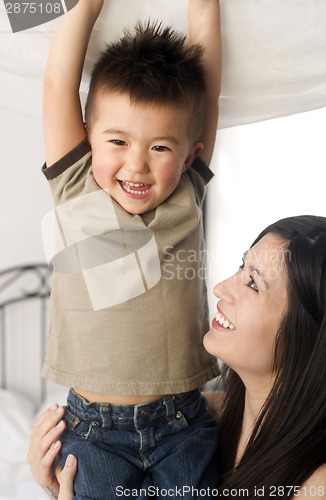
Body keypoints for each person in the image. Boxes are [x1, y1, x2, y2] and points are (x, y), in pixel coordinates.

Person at [39, 0, 222, 497]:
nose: (136, 165)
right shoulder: (77, 188)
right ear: (88, 139)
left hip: (183, 422)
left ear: (190, 156)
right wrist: (88, 6)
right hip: (94, 432)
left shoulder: (188, 191)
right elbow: (58, 87)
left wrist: (204, 8)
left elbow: (206, 84)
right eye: (117, 141)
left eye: (160, 147)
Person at [29, 215, 326, 499]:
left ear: (307, 335)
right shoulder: (192, 417)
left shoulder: (317, 484)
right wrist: (62, 486)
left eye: (252, 284)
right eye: (241, 266)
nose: (221, 288)